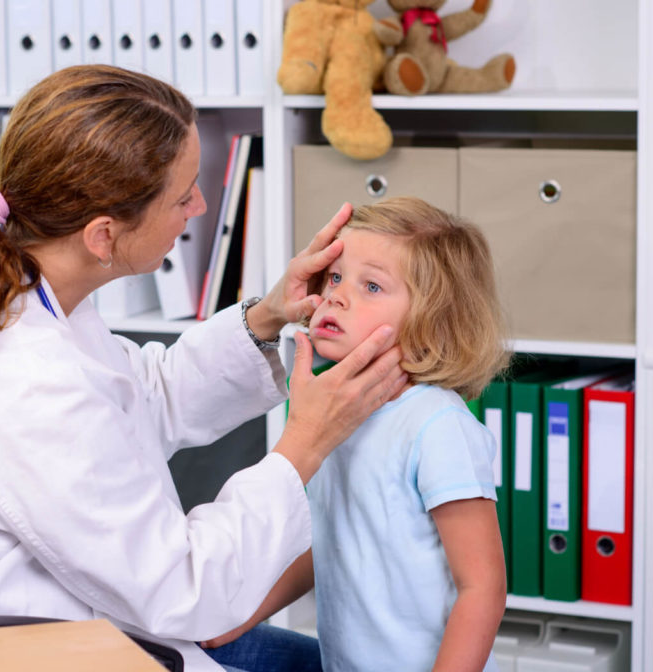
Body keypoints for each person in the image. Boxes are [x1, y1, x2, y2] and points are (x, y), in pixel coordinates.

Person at [0, 64, 408, 672]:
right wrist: (305, 442)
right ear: (103, 236)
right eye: (183, 195)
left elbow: (139, 397)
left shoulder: (26, 301)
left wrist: (267, 314)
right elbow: (184, 588)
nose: (201, 206)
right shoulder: (27, 377)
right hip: (19, 655)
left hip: (73, 623)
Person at [203, 196, 509, 671]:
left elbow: (482, 587)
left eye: (371, 285)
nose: (337, 295)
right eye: (337, 277)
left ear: (431, 320)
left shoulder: (437, 425)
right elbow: (323, 544)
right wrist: (243, 618)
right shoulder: (335, 412)